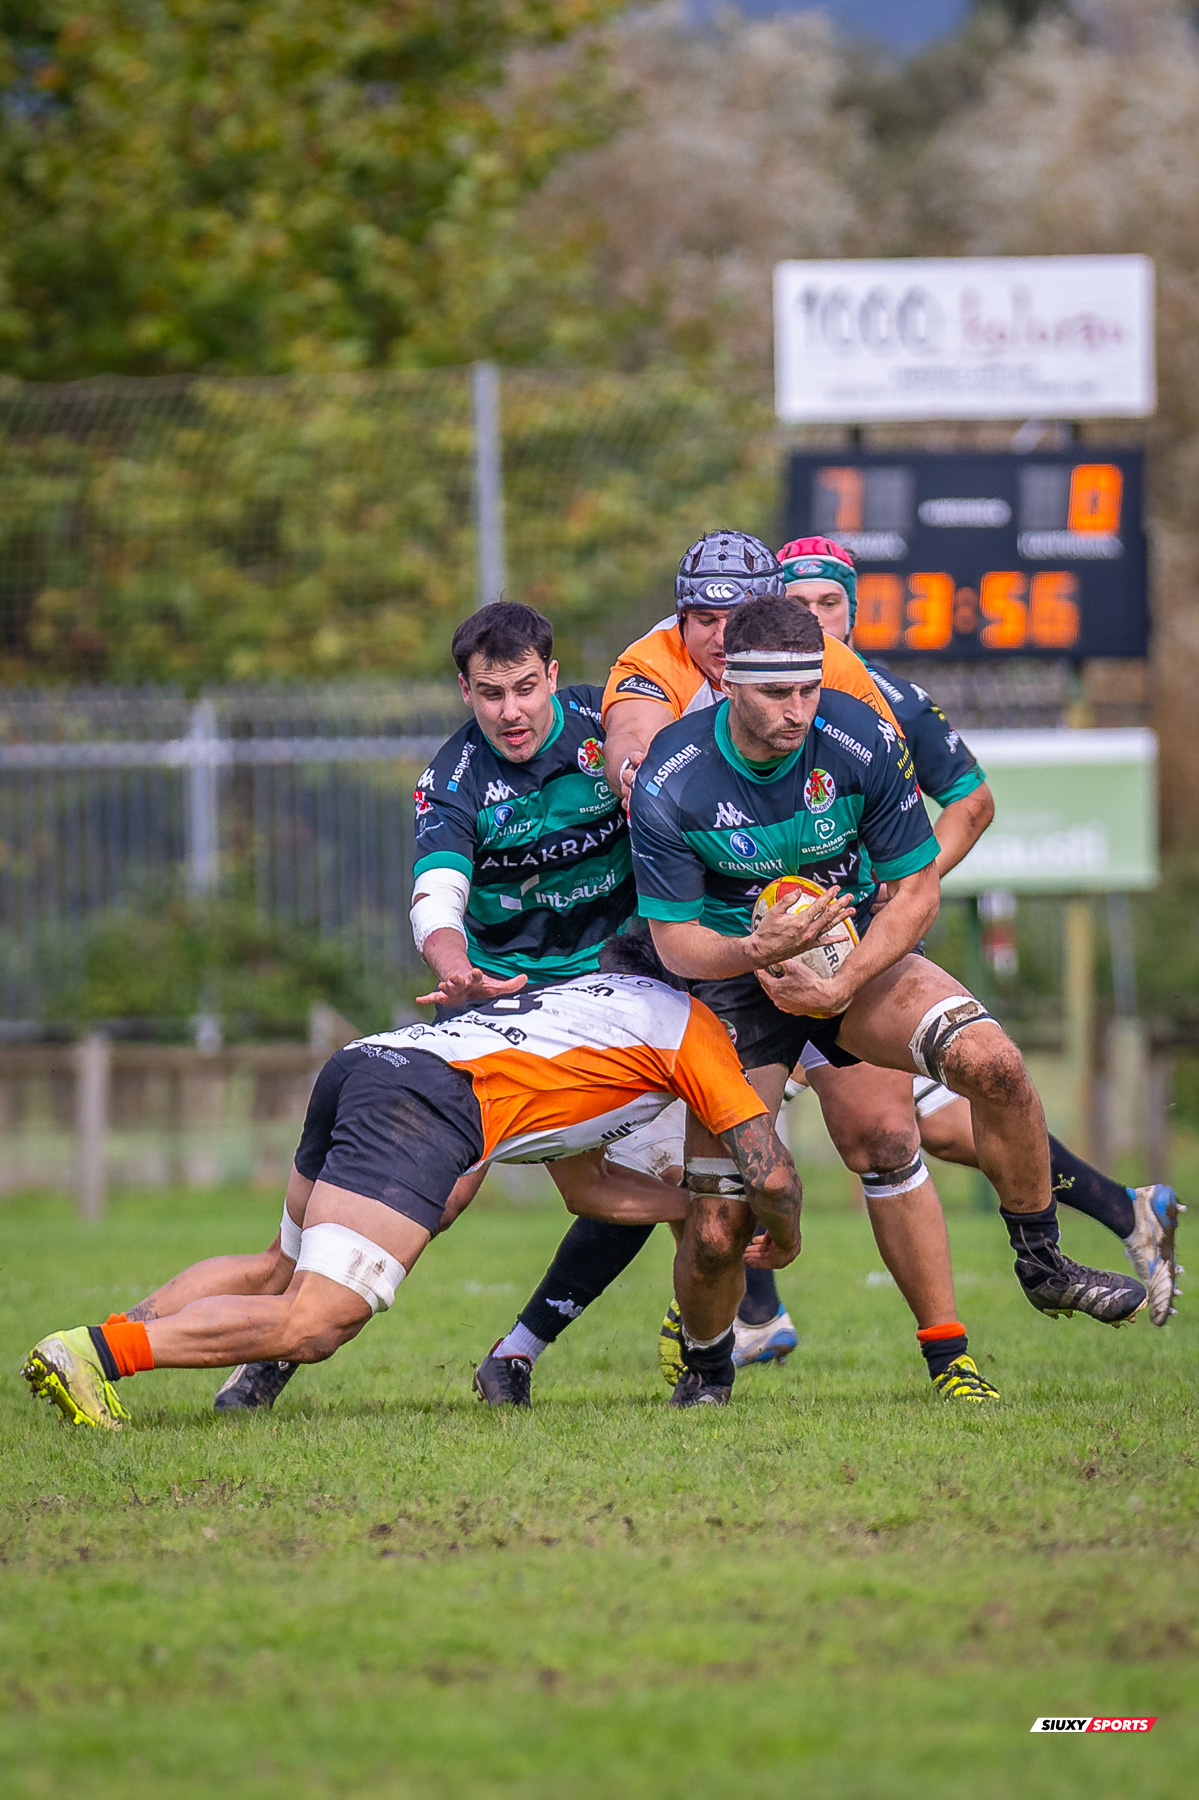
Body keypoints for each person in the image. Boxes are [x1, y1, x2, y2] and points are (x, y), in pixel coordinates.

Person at [492, 529, 986, 1392]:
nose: (716, 634)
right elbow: (636, 753)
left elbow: (933, 811)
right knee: (699, 1198)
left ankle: (950, 1352)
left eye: (735, 616)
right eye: (700, 616)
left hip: (830, 939)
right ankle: (698, 1345)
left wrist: (877, 910)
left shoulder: (830, 675)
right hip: (706, 954)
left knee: (888, 1131)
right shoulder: (648, 667)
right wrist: (674, 787)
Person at [626, 593, 1146, 1378]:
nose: (796, 711)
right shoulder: (673, 773)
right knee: (716, 1229)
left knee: (994, 1067)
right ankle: (705, 1369)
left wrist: (846, 980)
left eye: (807, 688)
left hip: (852, 957)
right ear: (728, 679)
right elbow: (676, 945)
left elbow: (915, 890)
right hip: (735, 985)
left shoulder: (859, 736)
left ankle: (1043, 1265)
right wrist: (755, 947)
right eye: (775, 693)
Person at [211, 600, 694, 1413]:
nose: (510, 711)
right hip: (500, 998)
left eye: (524, 688)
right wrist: (456, 964)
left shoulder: (608, 724)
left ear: (552, 674)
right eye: (488, 693)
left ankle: (554, 1353)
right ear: (462, 690)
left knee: (652, 1172)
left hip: (616, 992)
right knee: (440, 1190)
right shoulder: (454, 777)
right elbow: (436, 894)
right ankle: (274, 1346)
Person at [22, 942, 816, 1429]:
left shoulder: (590, 1000)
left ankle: (91, 1344)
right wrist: (776, 1234)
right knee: (315, 1322)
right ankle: (95, 1352)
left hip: (373, 1061)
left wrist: (685, 1206)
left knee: (275, 1268)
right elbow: (769, 1172)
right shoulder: (697, 1030)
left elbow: (585, 1189)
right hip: (429, 1102)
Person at [777, 535, 1183, 1328]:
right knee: (943, 1126)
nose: (815, 619)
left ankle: (744, 1317)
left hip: (858, 954)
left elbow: (971, 801)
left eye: (828, 604)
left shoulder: (885, 699)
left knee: (787, 1119)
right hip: (773, 942)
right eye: (797, 606)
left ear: (852, 612)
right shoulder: (741, 706)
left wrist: (907, 889)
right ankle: (1127, 1209)